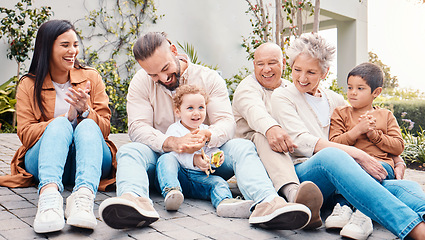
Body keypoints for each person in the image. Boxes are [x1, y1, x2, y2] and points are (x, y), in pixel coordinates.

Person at [98, 32, 312, 231]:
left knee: (243, 146)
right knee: (130, 151)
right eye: (153, 74)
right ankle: (134, 203)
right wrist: (172, 142)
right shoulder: (140, 82)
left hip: (209, 162)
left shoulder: (209, 79)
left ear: (173, 51)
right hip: (165, 164)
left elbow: (226, 123)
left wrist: (208, 136)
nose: (162, 78)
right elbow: (137, 128)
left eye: (165, 69)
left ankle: (268, 204)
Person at [270, 32, 425, 240]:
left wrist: (397, 159)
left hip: (343, 174)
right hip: (307, 175)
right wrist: (358, 155)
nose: (302, 78)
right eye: (297, 70)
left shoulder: (335, 99)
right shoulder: (283, 95)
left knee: (403, 186)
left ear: (324, 73)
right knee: (333, 156)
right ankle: (413, 228)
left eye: (311, 72)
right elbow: (301, 140)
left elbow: (358, 130)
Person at [0, 20, 117, 234]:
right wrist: (66, 117)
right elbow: (26, 135)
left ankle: (83, 199)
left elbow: (106, 129)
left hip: (90, 159)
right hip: (47, 161)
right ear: (47, 47)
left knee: (88, 126)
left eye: (75, 44)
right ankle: (49, 200)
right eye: (65, 45)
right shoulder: (29, 84)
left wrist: (85, 112)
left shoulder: (91, 77)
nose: (72, 51)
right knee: (61, 124)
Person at [232, 42, 323, 229]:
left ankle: (313, 207)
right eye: (260, 64)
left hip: (289, 156)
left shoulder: (291, 88)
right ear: (254, 65)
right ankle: (294, 195)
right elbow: (255, 112)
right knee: (264, 135)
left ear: (282, 63)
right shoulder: (247, 88)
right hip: (254, 156)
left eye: (272, 63)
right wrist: (271, 128)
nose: (266, 69)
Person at [325, 62, 405, 238]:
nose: (353, 92)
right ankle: (343, 208)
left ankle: (363, 215)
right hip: (351, 165)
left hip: (381, 166)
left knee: (372, 172)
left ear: (376, 92)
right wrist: (357, 131)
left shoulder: (386, 116)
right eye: (350, 87)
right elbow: (334, 143)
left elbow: (398, 146)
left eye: (360, 88)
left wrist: (374, 135)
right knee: (347, 174)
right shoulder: (341, 113)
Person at [157, 84, 253, 217]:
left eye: (201, 107)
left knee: (219, 181)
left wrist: (216, 159)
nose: (196, 112)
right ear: (178, 111)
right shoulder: (175, 130)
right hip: (181, 176)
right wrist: (194, 160)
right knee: (165, 158)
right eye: (190, 108)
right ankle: (172, 191)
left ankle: (225, 202)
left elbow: (211, 152)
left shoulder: (206, 130)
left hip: (200, 178)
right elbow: (172, 154)